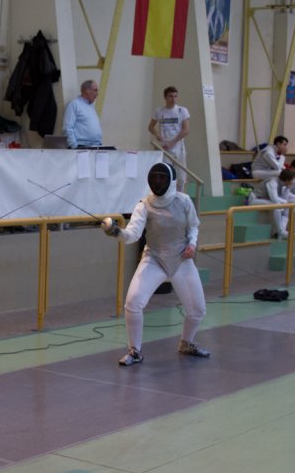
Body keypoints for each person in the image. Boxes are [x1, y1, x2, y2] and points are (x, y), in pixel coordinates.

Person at [100, 162, 209, 363]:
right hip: (154, 259)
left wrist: (192, 243)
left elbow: (194, 225)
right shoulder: (144, 205)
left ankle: (186, 343)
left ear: (171, 181)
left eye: (162, 177)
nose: (158, 181)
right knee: (133, 303)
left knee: (197, 310)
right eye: (155, 177)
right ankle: (134, 351)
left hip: (181, 260)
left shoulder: (184, 201)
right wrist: (117, 232)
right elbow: (132, 235)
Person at [248, 168, 295, 238]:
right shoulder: (273, 182)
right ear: (287, 180)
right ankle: (281, 231)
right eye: (292, 180)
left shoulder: (283, 184)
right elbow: (274, 199)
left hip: (266, 200)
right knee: (277, 206)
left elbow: (283, 198)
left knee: (288, 206)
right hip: (255, 200)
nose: (293, 182)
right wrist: (286, 202)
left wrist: (288, 189)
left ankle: (282, 230)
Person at [148, 86, 191, 189]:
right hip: (165, 147)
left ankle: (180, 196)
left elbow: (186, 130)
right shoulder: (159, 111)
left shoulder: (182, 110)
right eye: (171, 96)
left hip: (178, 146)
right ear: (165, 97)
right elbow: (150, 127)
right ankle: (168, 196)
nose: (173, 99)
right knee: (167, 174)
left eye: (175, 96)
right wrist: (157, 134)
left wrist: (172, 142)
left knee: (181, 177)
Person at [63, 80, 102, 149]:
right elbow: (67, 127)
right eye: (95, 90)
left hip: (96, 146)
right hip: (81, 147)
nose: (97, 94)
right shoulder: (74, 104)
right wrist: (74, 146)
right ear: (87, 90)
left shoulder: (91, 107)